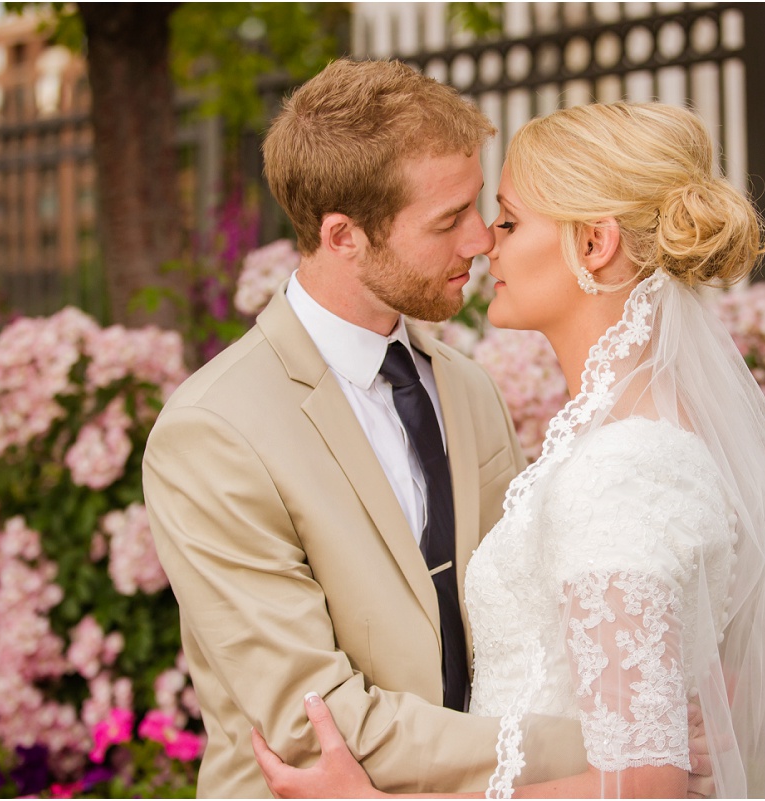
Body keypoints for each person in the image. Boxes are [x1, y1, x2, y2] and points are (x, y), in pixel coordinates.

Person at [252, 102, 765, 798]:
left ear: (593, 245)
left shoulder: (618, 470)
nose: (487, 242)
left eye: (510, 221)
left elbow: (643, 784)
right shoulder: (635, 438)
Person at [142, 58, 592, 797]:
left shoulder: (469, 388)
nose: (482, 239)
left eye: (476, 206)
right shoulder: (212, 432)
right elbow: (318, 726)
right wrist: (605, 747)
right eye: (448, 220)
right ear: (343, 235)